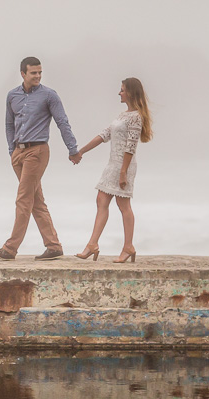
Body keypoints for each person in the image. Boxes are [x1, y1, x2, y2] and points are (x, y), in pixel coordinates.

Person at [0, 57, 81, 262]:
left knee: (23, 198)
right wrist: (12, 150)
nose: (38, 76)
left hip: (37, 151)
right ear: (23, 73)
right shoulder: (12, 95)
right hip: (18, 153)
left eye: (40, 72)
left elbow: (62, 122)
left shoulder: (49, 95)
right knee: (36, 201)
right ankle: (54, 245)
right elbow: (9, 124)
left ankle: (10, 248)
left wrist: (72, 149)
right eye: (33, 73)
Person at [75, 78, 153, 263]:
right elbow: (104, 135)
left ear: (131, 93)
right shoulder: (122, 115)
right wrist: (81, 152)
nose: (119, 93)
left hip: (124, 165)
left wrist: (123, 172)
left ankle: (128, 247)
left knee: (123, 205)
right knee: (101, 200)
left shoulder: (136, 117)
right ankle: (92, 244)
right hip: (113, 165)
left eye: (122, 90)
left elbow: (130, 147)